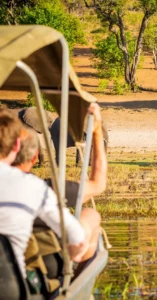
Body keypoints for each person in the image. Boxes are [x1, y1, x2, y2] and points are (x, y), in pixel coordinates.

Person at [0, 105, 104, 280]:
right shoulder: (35, 188)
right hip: (13, 288)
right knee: (90, 216)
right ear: (17, 145)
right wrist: (97, 131)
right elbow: (77, 238)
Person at [13, 102, 108, 208]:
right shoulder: (40, 188)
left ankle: (68, 161)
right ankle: (62, 161)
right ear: (34, 157)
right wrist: (97, 130)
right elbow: (98, 185)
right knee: (89, 215)